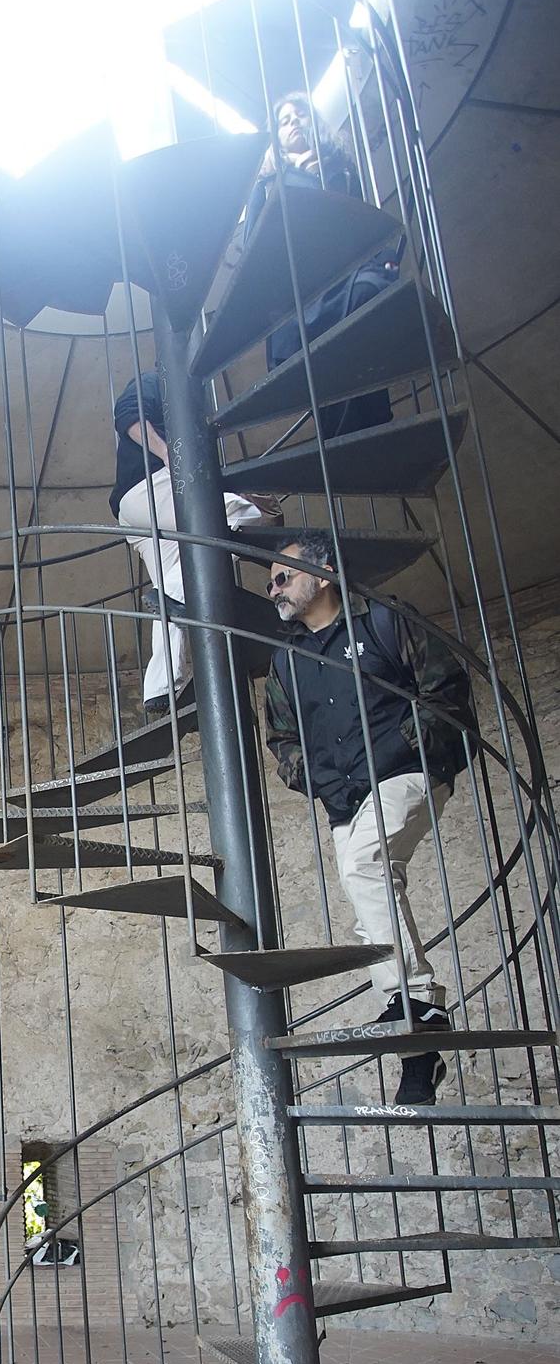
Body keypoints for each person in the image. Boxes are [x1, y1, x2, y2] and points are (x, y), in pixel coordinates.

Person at [263, 533, 474, 1105]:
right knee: (369, 900)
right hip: (343, 798)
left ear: (324, 574)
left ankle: (419, 1002)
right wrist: (321, 780)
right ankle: (420, 1052)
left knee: (365, 865)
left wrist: (406, 748)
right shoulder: (286, 663)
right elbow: (281, 740)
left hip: (408, 773)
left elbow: (446, 690)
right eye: (270, 581)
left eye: (283, 575)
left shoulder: (385, 620)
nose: (271, 587)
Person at [109, 371, 281, 714]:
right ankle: (171, 595)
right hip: (151, 487)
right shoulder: (157, 380)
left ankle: (159, 686)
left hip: (137, 508)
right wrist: (167, 455)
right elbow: (128, 414)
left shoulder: (187, 397)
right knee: (234, 513)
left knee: (176, 577)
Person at [243, 93, 399, 439]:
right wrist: (283, 180)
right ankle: (353, 441)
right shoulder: (270, 185)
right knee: (323, 365)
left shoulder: (340, 171)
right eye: (284, 121)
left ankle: (365, 435)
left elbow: (364, 226)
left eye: (300, 115)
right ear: (276, 141)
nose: (294, 122)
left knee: (364, 308)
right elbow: (252, 247)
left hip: (345, 281)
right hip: (300, 298)